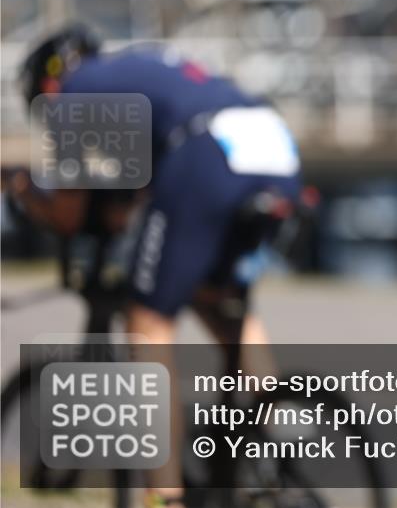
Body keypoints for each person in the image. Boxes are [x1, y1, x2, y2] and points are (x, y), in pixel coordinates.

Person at [10, 26, 302, 507]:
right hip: (272, 147)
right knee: (220, 301)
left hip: (208, 153)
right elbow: (138, 203)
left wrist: (23, 191)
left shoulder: (73, 91)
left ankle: (164, 497)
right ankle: (279, 451)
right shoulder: (135, 73)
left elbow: (69, 211)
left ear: (46, 85)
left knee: (147, 321)